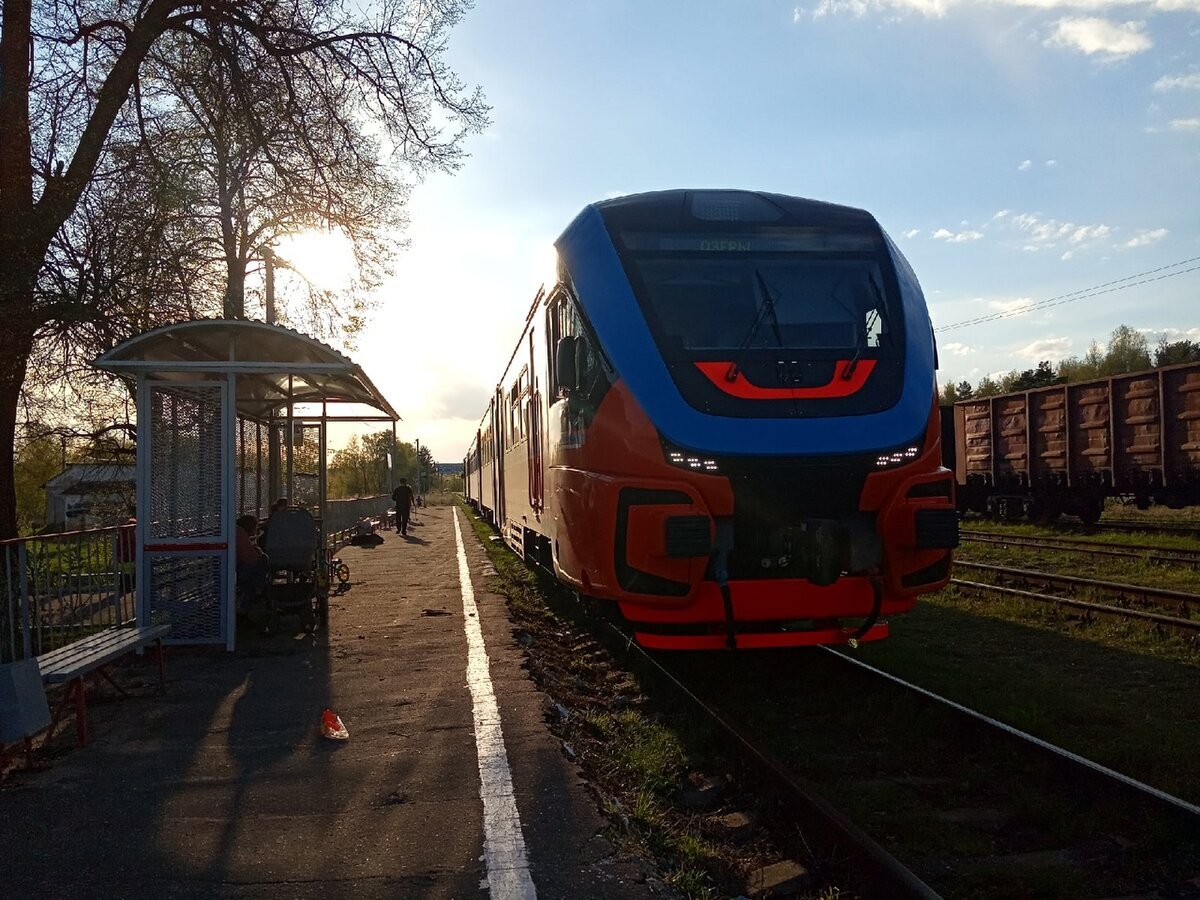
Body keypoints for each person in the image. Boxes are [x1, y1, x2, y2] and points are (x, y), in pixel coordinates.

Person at [235, 513, 271, 613]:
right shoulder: (240, 534)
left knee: (253, 579)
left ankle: (257, 590)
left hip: (234, 567)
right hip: (239, 569)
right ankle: (259, 590)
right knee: (264, 559)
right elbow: (251, 557)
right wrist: (258, 551)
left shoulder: (237, 532)